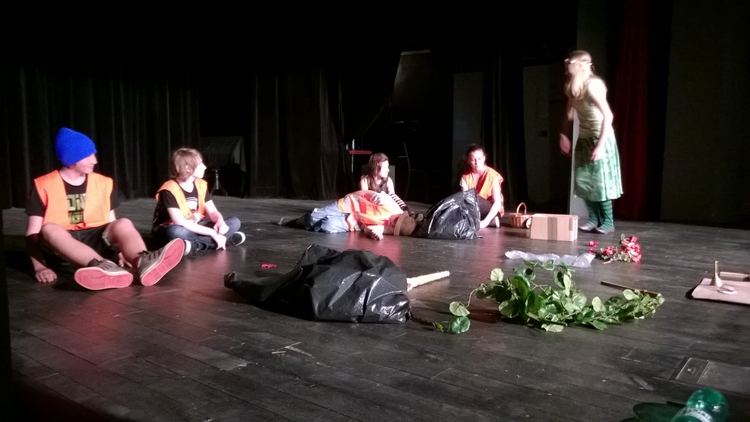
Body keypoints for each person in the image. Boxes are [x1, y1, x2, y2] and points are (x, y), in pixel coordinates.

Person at [25, 127, 185, 290]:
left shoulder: (103, 183)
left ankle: (142, 262)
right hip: (62, 247)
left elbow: (112, 224)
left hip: (96, 239)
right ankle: (102, 267)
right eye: (88, 156)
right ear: (71, 159)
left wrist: (122, 252)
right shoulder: (44, 185)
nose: (94, 161)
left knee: (123, 223)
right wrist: (40, 266)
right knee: (49, 229)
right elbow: (32, 234)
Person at [559, 50, 623, 234]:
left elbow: (608, 116)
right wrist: (563, 135)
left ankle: (608, 221)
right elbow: (569, 113)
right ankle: (594, 218)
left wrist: (600, 145)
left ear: (578, 67)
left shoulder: (593, 85)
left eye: (569, 67)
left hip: (601, 137)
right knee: (583, 180)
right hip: (585, 138)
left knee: (600, 182)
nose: (566, 71)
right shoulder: (573, 87)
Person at [152, 148, 246, 254]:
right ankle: (224, 240)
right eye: (200, 164)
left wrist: (220, 221)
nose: (204, 167)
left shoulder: (200, 184)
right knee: (176, 232)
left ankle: (196, 245)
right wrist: (212, 233)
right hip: (172, 227)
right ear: (187, 168)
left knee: (234, 222)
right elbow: (180, 222)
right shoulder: (169, 189)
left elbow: (213, 212)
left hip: (195, 226)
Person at [278, 190, 417, 241]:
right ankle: (298, 222)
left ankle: (313, 224)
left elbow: (368, 228)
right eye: (395, 222)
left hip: (355, 221)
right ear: (399, 216)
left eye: (394, 228)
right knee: (312, 218)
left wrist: (373, 233)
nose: (392, 225)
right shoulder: (387, 203)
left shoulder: (391, 229)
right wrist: (348, 196)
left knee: (326, 225)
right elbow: (365, 193)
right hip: (349, 205)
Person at [458, 144, 504, 229]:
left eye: (479, 159)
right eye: (473, 160)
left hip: (492, 209)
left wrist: (485, 222)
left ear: (484, 158)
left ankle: (488, 219)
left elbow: (497, 203)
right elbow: (466, 201)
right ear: (468, 160)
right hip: (474, 209)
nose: (477, 163)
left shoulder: (492, 175)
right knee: (462, 201)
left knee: (473, 198)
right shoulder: (465, 177)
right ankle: (487, 221)